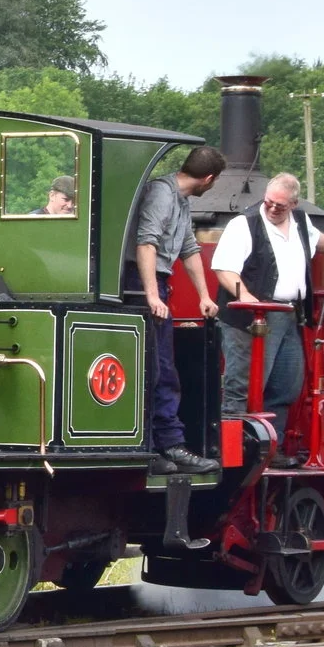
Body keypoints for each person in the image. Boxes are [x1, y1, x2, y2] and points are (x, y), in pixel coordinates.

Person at [212, 172, 324, 435]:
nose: (273, 208)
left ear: (294, 204)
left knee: (286, 384)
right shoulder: (244, 224)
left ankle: (270, 448)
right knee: (244, 386)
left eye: (280, 205)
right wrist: (244, 295)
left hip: (289, 315)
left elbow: (315, 239)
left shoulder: (300, 221)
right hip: (250, 319)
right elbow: (224, 269)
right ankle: (234, 452)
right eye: (269, 202)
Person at [124, 145, 225, 475]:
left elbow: (189, 249)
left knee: (163, 370)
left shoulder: (180, 201)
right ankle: (164, 444)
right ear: (208, 179)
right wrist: (152, 295)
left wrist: (204, 296)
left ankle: (163, 446)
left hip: (158, 282)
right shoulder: (162, 194)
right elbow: (145, 242)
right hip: (141, 284)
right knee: (157, 370)